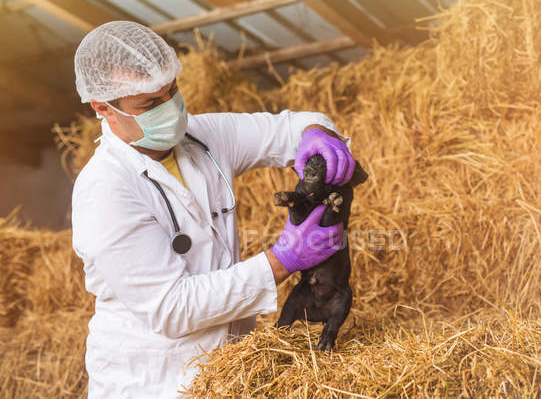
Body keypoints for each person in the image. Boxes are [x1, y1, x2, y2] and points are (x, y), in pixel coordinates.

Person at [70, 21, 356, 398]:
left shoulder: (202, 136)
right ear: (103, 108)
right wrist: (284, 260)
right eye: (150, 104)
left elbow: (290, 127)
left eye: (172, 91)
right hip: (156, 382)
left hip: (229, 375)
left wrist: (318, 136)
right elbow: (173, 308)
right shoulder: (105, 188)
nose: (170, 109)